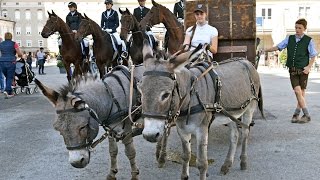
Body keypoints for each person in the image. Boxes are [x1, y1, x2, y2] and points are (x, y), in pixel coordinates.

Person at [264, 18, 317, 124]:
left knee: (301, 93)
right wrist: (265, 50)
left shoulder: (308, 40)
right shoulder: (290, 38)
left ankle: (296, 114)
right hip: (292, 70)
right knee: (297, 92)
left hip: (303, 71)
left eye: (300, 28)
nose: (297, 30)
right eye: (296, 27)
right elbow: (278, 47)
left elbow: (313, 55)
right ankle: (307, 115)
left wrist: (308, 67)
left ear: (304, 29)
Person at [0, 32, 23, 98]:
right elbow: (19, 53)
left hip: (2, 62)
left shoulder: (1, 44)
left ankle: (9, 90)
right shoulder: (14, 44)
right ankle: (7, 91)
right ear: (11, 37)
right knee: (10, 77)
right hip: (11, 61)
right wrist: (20, 55)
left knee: (7, 76)